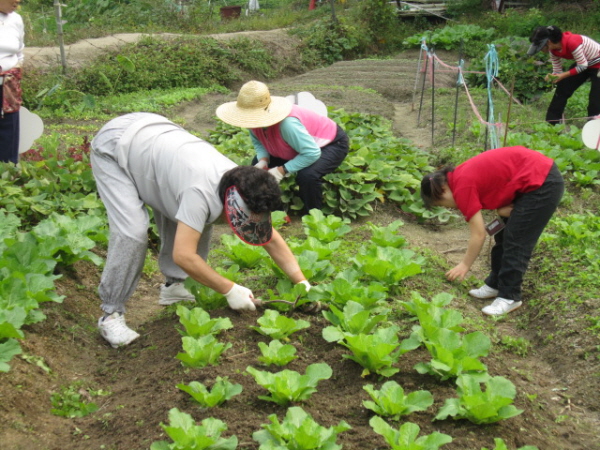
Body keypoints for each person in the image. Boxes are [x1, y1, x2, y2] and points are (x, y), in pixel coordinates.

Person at [91, 113, 311, 348]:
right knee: (132, 233)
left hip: (157, 133)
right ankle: (110, 314)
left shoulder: (244, 182)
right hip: (117, 145)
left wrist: (301, 282)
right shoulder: (200, 193)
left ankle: (175, 285)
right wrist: (229, 289)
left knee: (194, 217)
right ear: (232, 203)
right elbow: (184, 255)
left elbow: (271, 239)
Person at [420, 146, 564, 316]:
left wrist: (465, 265)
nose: (450, 207)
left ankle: (510, 296)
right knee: (502, 234)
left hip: (543, 182)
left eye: (442, 204)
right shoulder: (458, 177)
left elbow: (479, 234)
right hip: (530, 181)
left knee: (516, 240)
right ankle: (495, 284)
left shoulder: (461, 187)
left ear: (443, 191)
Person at [216, 80, 349, 214]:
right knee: (256, 168)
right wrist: (263, 160)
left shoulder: (287, 124)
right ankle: (276, 214)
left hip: (329, 143)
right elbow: (259, 142)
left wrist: (282, 170)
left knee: (307, 175)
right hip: (295, 145)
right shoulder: (251, 121)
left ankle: (314, 216)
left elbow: (312, 153)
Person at [527, 25, 600, 125]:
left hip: (596, 63)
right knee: (562, 89)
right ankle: (551, 124)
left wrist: (562, 76)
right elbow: (557, 70)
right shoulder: (553, 50)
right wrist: (554, 76)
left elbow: (582, 66)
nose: (541, 50)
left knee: (596, 99)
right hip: (585, 63)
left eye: (541, 47)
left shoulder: (572, 42)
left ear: (549, 42)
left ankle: (594, 129)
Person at [0, 0, 24, 164]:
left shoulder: (16, 19)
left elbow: (20, 50)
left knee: (9, 131)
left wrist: (16, 70)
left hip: (8, 85)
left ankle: (7, 181)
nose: (17, 1)